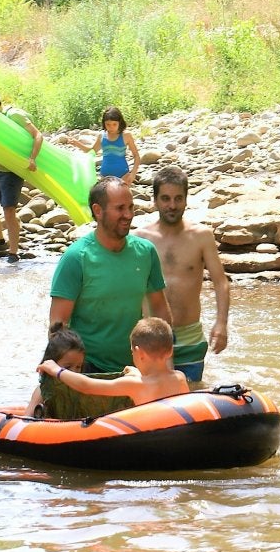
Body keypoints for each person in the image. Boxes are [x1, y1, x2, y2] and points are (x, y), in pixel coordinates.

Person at [48, 177, 173, 374]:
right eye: (120, 208)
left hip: (135, 367)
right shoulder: (76, 257)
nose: (128, 215)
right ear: (98, 211)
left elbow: (159, 309)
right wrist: (61, 376)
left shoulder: (146, 252)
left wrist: (164, 365)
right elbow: (58, 325)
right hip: (88, 369)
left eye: (130, 207)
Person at [134, 164, 230, 382]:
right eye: (165, 199)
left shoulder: (201, 236)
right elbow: (129, 288)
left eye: (178, 198)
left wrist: (221, 323)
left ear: (186, 200)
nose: (172, 205)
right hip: (151, 336)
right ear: (155, 201)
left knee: (191, 392)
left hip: (190, 336)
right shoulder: (140, 239)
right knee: (152, 396)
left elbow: (220, 282)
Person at [39, 317, 188, 407]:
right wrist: (136, 373)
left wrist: (56, 370)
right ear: (170, 351)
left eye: (132, 352)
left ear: (139, 353)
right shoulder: (179, 378)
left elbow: (87, 386)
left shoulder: (133, 385)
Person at [0, 91, 41, 263]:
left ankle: (13, 253)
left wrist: (32, 158)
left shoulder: (14, 115)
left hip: (12, 170)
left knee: (9, 211)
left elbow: (37, 136)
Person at [73, 106, 140, 185]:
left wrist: (133, 174)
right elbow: (92, 151)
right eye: (108, 124)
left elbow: (136, 156)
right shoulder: (101, 136)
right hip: (104, 175)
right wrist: (77, 143)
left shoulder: (126, 136)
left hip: (123, 175)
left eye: (114, 124)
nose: (111, 127)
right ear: (104, 123)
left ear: (120, 122)